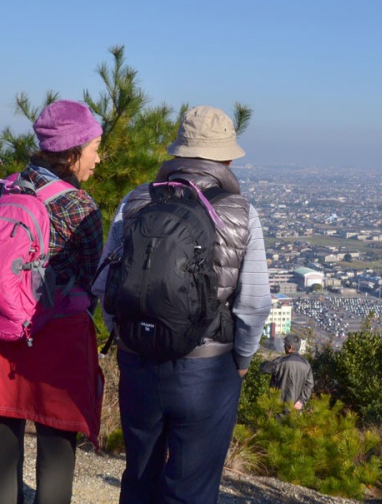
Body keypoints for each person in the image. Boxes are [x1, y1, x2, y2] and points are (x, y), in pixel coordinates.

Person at [94, 105, 272, 504]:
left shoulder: (136, 201)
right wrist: (242, 359)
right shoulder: (241, 213)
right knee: (191, 487)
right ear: (226, 157)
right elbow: (255, 303)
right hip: (206, 369)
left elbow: (106, 284)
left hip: (138, 358)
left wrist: (125, 336)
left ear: (178, 152)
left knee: (139, 476)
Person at [0, 100, 105, 504]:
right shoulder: (77, 206)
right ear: (73, 151)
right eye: (95, 149)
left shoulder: (7, 187)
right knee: (56, 442)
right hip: (57, 335)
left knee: (3, 433)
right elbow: (92, 277)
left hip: (1, 329)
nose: (99, 159)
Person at [260, 333, 313, 411]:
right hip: (296, 409)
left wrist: (263, 363)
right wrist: (301, 400)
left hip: (279, 407)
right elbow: (309, 385)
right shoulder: (306, 364)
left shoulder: (280, 362)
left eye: (285, 345)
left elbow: (265, 369)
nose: (284, 347)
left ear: (290, 347)